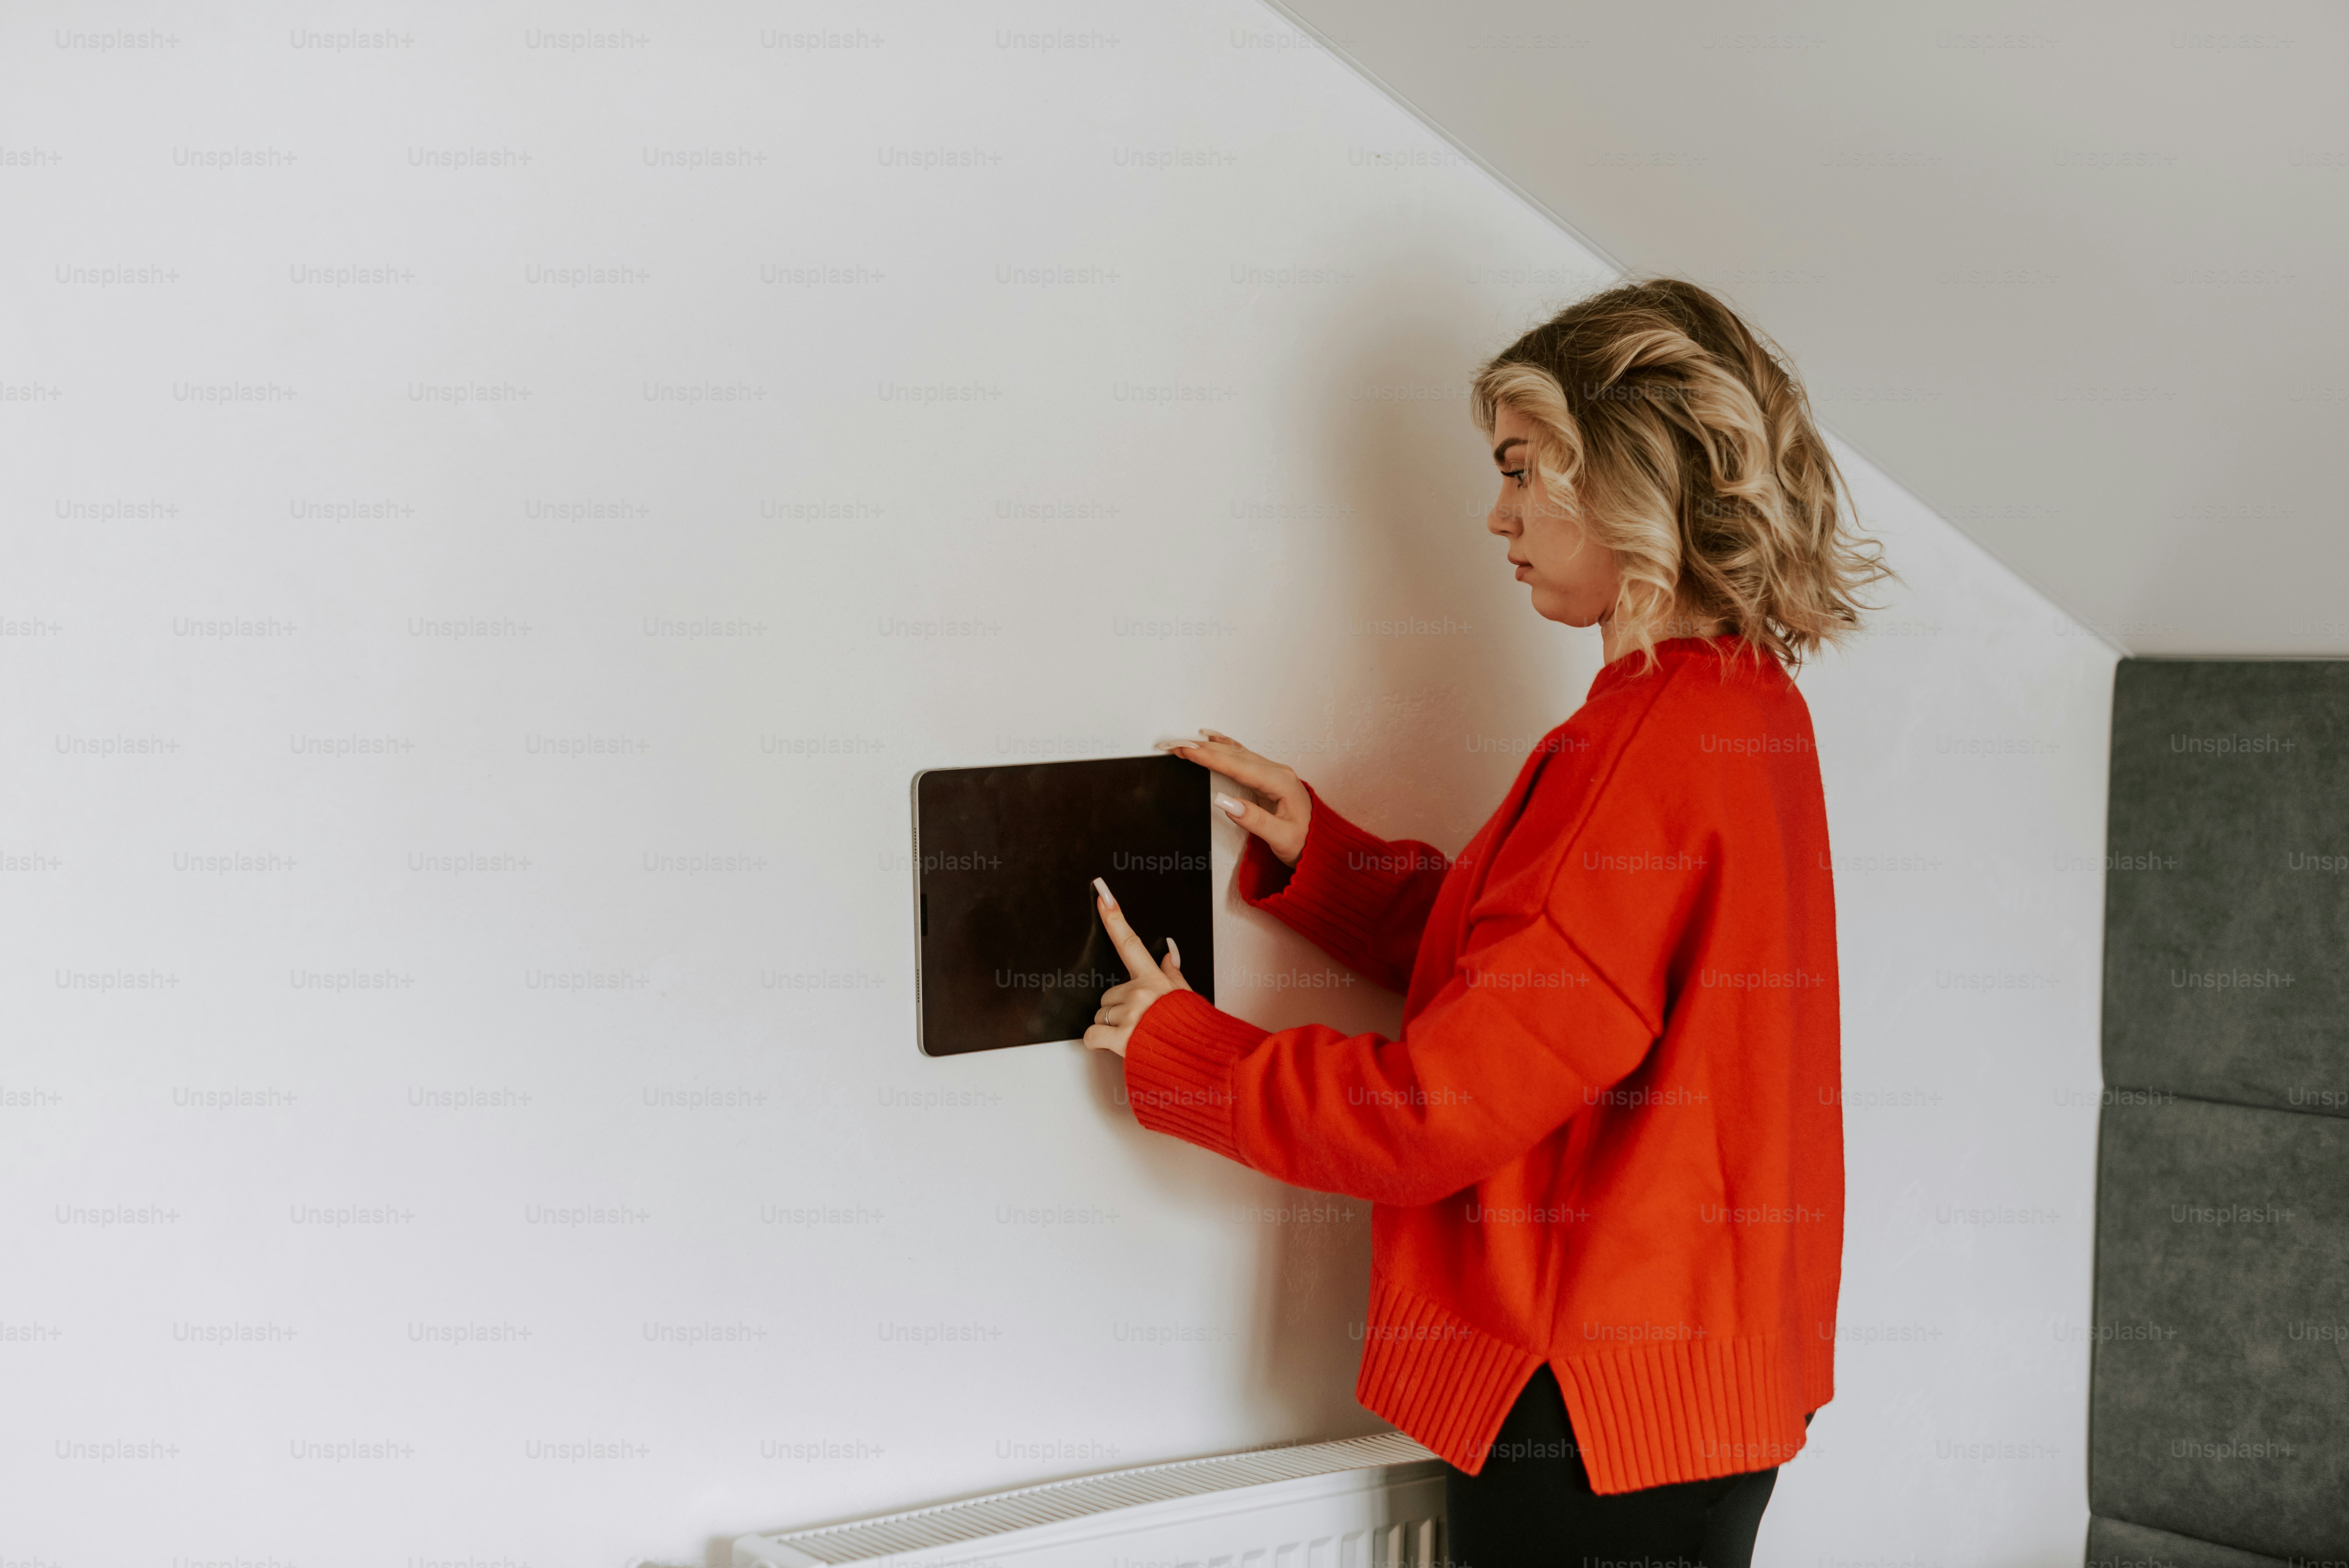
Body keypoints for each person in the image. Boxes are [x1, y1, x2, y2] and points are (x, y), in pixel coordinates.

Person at [1081, 278, 1887, 1566]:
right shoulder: (1745, 706)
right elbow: (1563, 986)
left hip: (1582, 1421)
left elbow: (1437, 1110)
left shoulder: (1638, 746)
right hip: (1699, 1403)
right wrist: (1332, 862)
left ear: (1620, 476)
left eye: (1521, 471)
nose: (1496, 515)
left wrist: (1183, 1050)